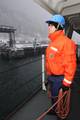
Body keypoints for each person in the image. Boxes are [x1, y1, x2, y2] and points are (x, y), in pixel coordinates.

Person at [45, 14, 77, 119]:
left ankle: (60, 114)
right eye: (48, 25)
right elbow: (49, 62)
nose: (48, 27)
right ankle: (55, 110)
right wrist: (48, 77)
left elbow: (70, 64)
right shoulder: (52, 43)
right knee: (54, 97)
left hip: (60, 79)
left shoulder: (67, 43)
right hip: (52, 77)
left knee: (60, 100)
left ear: (59, 26)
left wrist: (66, 84)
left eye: (51, 25)